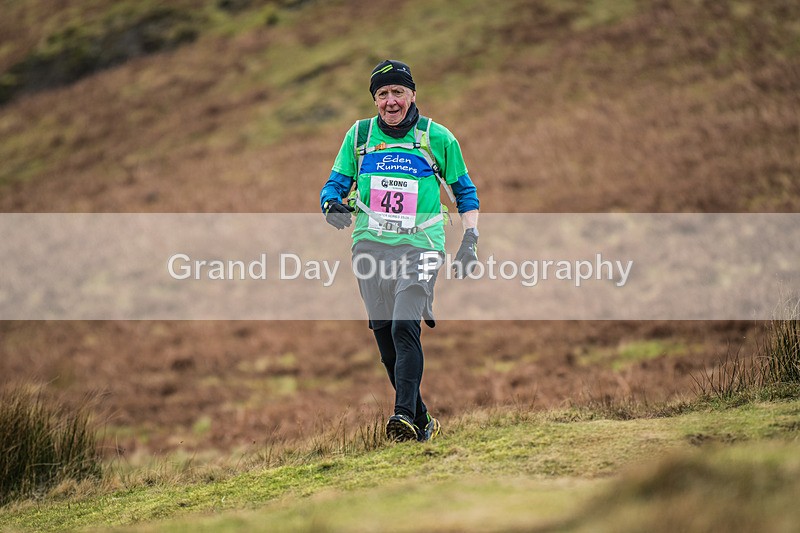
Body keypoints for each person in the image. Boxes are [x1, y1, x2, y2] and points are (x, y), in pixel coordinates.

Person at [320, 59, 480, 442]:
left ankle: (402, 417)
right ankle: (421, 420)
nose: (390, 101)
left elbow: (465, 193)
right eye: (382, 94)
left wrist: (470, 240)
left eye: (397, 92)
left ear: (412, 95)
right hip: (370, 246)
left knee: (405, 325)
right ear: (375, 100)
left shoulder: (437, 138)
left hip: (422, 245)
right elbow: (334, 186)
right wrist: (331, 206)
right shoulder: (358, 136)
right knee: (386, 340)